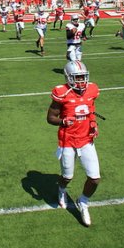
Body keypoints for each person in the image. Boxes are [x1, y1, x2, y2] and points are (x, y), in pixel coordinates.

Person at [46, 60, 101, 227]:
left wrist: (93, 124)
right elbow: (50, 118)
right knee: (66, 177)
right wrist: (63, 121)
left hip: (86, 139)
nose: (81, 81)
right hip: (68, 140)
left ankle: (83, 202)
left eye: (83, 77)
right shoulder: (61, 93)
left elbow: (91, 110)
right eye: (77, 78)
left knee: (95, 178)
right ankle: (61, 190)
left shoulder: (92, 89)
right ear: (68, 78)